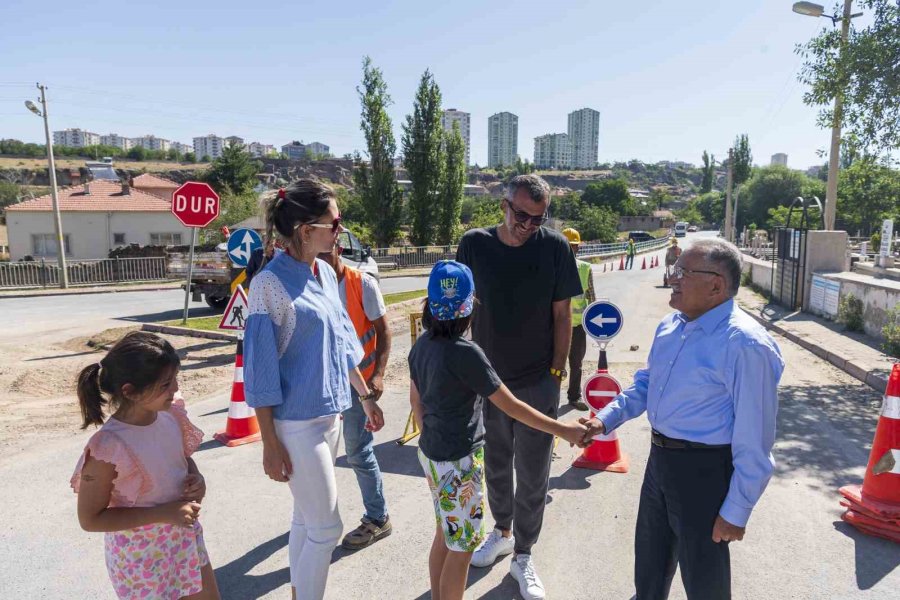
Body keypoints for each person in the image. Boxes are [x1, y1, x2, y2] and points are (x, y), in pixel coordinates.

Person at [580, 238, 784, 600]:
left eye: (683, 272)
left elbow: (756, 439)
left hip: (704, 471)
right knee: (649, 566)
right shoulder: (672, 326)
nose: (672, 277)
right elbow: (646, 384)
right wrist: (604, 420)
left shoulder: (746, 344)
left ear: (716, 285)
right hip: (660, 462)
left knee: (704, 578)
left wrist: (737, 510)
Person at [408, 260, 590, 600]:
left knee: (445, 535)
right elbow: (513, 407)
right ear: (470, 307)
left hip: (433, 457)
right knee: (462, 547)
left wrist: (429, 438)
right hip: (459, 464)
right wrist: (561, 429)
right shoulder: (467, 354)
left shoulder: (422, 346)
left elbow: (415, 400)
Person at [244, 180, 384, 600]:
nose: (339, 230)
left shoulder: (323, 271)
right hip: (296, 426)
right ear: (306, 230)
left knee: (306, 520)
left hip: (331, 417)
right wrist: (269, 442)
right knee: (327, 528)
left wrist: (363, 396)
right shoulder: (267, 285)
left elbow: (342, 342)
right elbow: (261, 374)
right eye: (334, 222)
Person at [456, 174, 583, 600]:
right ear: (504, 205)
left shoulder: (555, 247)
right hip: (487, 381)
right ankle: (502, 531)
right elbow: (461, 311)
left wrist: (556, 375)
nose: (528, 225)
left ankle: (524, 554)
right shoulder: (474, 244)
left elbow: (563, 316)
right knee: (494, 463)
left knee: (532, 473)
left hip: (536, 381)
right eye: (521, 215)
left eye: (538, 218)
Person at [71, 331, 220, 600]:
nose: (175, 388)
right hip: (140, 560)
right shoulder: (109, 447)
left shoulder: (170, 416)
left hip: (183, 541)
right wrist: (165, 513)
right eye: (165, 384)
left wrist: (196, 479)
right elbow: (90, 519)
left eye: (175, 378)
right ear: (130, 391)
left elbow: (182, 459)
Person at [318, 242, 393, 550]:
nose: (318, 257)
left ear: (337, 245)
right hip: (323, 381)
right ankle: (318, 513)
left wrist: (378, 375)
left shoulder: (361, 283)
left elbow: (384, 330)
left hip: (358, 382)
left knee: (358, 452)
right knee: (320, 452)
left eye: (324, 250)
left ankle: (378, 518)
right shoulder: (309, 283)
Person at [561, 227, 596, 412]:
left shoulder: (584, 268)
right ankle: (551, 396)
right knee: (555, 363)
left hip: (577, 325)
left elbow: (591, 298)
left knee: (576, 363)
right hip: (556, 326)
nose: (570, 249)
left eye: (572, 246)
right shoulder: (552, 267)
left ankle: (574, 396)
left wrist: (595, 326)